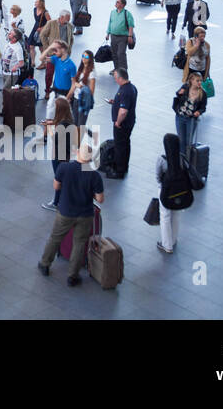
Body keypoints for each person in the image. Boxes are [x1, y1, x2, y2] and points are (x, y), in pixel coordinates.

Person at [37, 143, 105, 286]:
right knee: (79, 243)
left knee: (55, 238)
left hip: (65, 212)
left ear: (78, 153)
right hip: (85, 214)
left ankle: (45, 264)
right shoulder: (94, 175)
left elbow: (56, 186)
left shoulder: (64, 168)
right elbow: (100, 199)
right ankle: (73, 276)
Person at [40, 96, 77, 211]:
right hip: (65, 154)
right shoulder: (69, 121)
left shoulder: (62, 125)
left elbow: (54, 138)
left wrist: (48, 128)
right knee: (62, 178)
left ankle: (56, 203)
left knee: (58, 178)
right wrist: (51, 123)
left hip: (58, 155)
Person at [154, 134, 189, 254]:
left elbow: (158, 176)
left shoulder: (162, 159)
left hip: (165, 190)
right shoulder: (181, 158)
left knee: (165, 216)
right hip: (180, 191)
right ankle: (173, 240)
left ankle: (167, 245)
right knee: (176, 215)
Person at [103, 68, 137, 178]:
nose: (115, 80)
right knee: (126, 144)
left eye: (116, 78)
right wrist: (115, 102)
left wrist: (118, 122)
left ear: (121, 78)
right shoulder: (131, 88)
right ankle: (124, 165)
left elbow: (123, 111)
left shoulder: (125, 91)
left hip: (122, 124)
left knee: (119, 146)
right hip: (130, 122)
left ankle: (119, 170)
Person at [172, 73, 207, 154]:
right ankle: (182, 159)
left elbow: (203, 107)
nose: (199, 83)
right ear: (191, 81)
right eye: (197, 81)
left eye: (200, 81)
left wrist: (199, 112)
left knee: (189, 141)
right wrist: (179, 93)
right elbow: (177, 94)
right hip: (180, 116)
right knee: (181, 139)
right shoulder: (185, 87)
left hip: (191, 119)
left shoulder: (203, 93)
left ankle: (187, 159)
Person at [105, 0, 136, 74]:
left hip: (123, 37)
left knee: (121, 53)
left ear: (123, 5)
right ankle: (116, 69)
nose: (116, 3)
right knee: (114, 53)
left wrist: (130, 36)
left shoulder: (127, 14)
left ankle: (123, 71)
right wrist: (108, 33)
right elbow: (110, 23)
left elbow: (131, 26)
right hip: (113, 36)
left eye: (118, 2)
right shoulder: (112, 12)